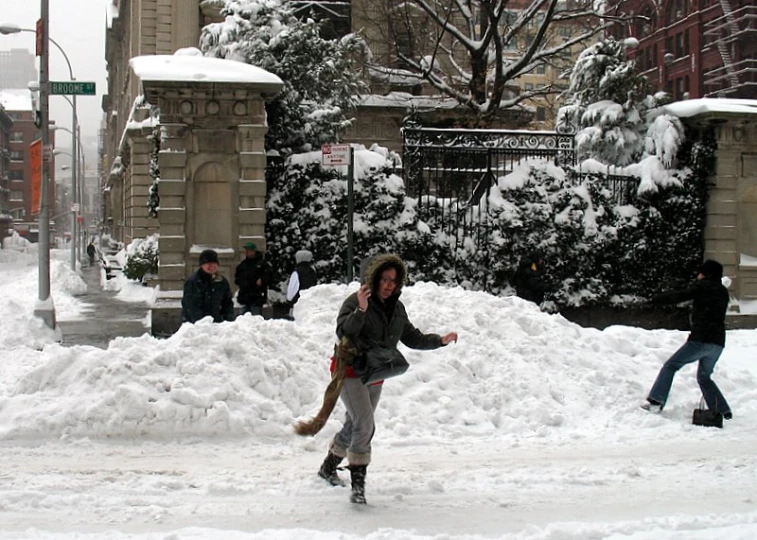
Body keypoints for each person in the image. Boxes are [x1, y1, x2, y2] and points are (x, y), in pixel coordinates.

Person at [313, 254, 458, 504]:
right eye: (385, 279)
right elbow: (344, 331)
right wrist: (361, 309)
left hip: (376, 372)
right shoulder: (357, 301)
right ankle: (358, 488)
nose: (390, 285)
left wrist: (439, 341)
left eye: (394, 280)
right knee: (365, 423)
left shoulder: (397, 308)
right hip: (350, 370)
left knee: (356, 422)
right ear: (374, 278)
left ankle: (328, 466)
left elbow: (412, 337)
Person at [642, 259, 732, 419]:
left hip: (701, 339)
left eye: (700, 272)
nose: (698, 275)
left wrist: (656, 298)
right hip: (718, 343)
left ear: (706, 273)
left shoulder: (702, 286)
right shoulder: (723, 291)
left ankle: (656, 401)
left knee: (670, 366)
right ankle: (723, 411)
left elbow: (680, 296)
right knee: (704, 377)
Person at [181, 249, 235, 323]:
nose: (212, 266)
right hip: (197, 327)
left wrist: (228, 321)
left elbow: (228, 303)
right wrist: (203, 325)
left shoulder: (222, 281)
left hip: (218, 326)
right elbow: (192, 307)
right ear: (202, 265)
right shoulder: (194, 282)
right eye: (209, 263)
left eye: (214, 263)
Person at [234, 242, 272, 316]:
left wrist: (262, 280)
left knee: (256, 318)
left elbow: (269, 275)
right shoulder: (243, 264)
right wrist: (242, 283)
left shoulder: (262, 264)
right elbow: (237, 277)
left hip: (257, 297)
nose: (246, 252)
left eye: (249, 250)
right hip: (244, 297)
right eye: (246, 250)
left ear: (253, 251)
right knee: (242, 319)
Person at [285, 250, 317, 319]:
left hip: (297, 305)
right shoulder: (312, 271)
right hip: (309, 304)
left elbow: (292, 291)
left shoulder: (297, 272)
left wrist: (289, 301)